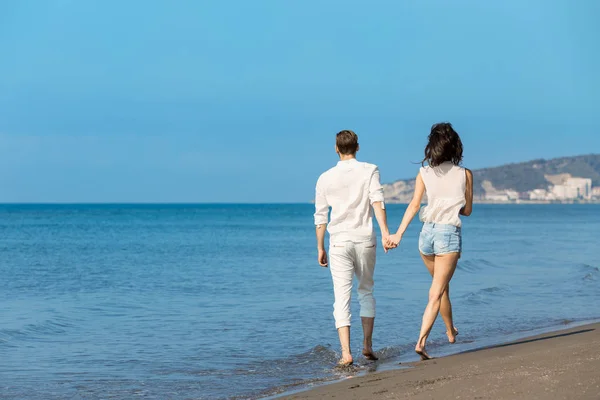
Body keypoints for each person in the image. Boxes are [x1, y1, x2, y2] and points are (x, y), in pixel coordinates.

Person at [387, 122, 473, 360]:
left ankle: (450, 331)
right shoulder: (465, 174)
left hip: (426, 235)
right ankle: (421, 342)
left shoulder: (424, 172)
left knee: (441, 287)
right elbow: (467, 211)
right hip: (447, 235)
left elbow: (415, 205)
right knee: (436, 292)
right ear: (456, 146)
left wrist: (398, 234)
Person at [314, 130, 393, 366]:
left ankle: (346, 353)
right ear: (357, 147)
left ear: (336, 149)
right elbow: (377, 202)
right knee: (366, 290)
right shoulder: (370, 170)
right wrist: (386, 233)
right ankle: (367, 346)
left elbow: (320, 218)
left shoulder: (324, 178)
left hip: (338, 241)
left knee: (342, 296)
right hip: (365, 238)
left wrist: (320, 247)